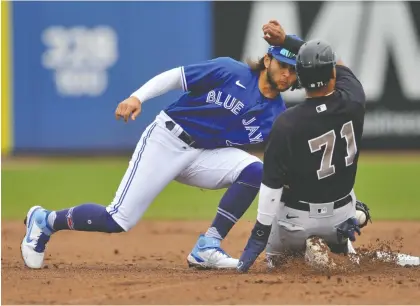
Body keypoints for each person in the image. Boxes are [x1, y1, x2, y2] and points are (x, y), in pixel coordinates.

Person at [21, 27, 303, 270]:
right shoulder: (230, 70)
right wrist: (137, 97)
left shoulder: (276, 113)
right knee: (117, 219)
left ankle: (208, 245)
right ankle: (45, 220)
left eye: (293, 71)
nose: (286, 75)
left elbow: (281, 162)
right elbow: (174, 77)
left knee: (254, 171)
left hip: (205, 155)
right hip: (167, 140)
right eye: (282, 65)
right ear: (267, 60)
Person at [236, 25, 368, 272]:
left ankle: (307, 252)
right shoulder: (354, 98)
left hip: (296, 224)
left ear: (300, 77)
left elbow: (271, 186)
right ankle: (339, 245)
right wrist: (287, 40)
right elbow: (335, 63)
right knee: (351, 203)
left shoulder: (286, 122)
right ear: (332, 73)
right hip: (341, 218)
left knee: (277, 263)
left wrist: (259, 234)